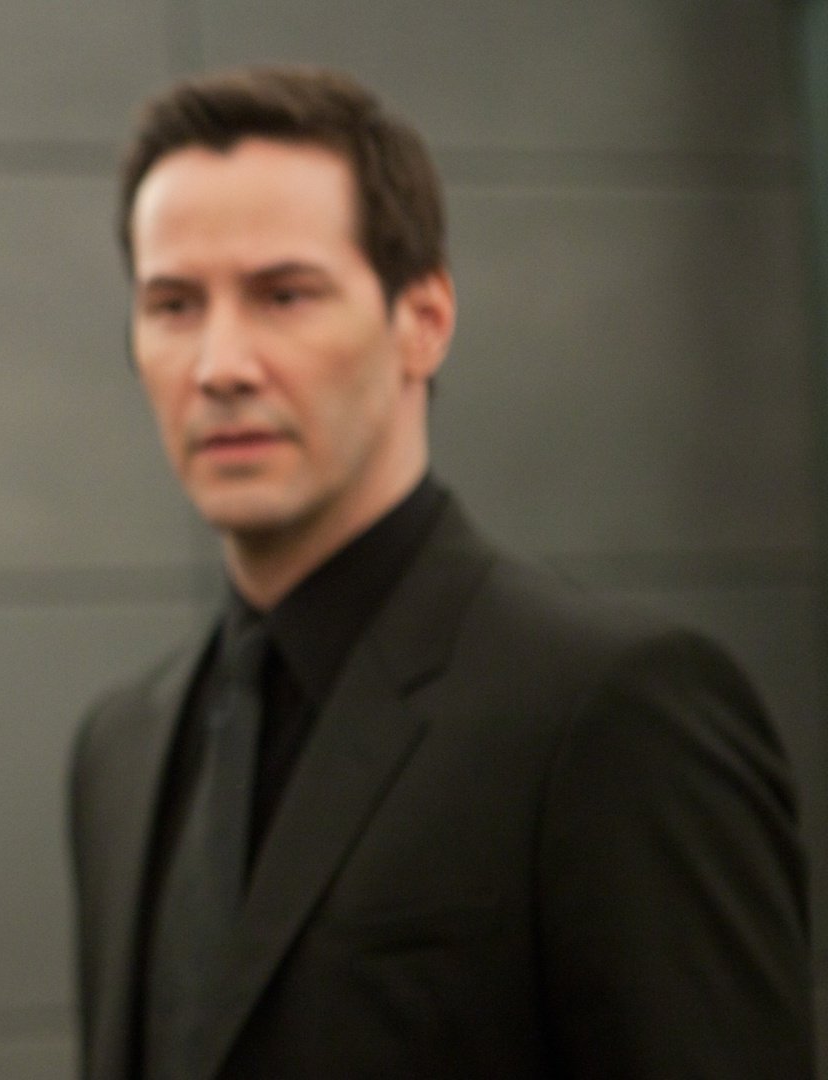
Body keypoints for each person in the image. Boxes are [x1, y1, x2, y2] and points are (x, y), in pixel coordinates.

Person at [68, 65, 811, 1080]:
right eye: (173, 304)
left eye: (284, 295)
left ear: (424, 319)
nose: (221, 365)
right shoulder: (119, 751)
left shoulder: (615, 710)